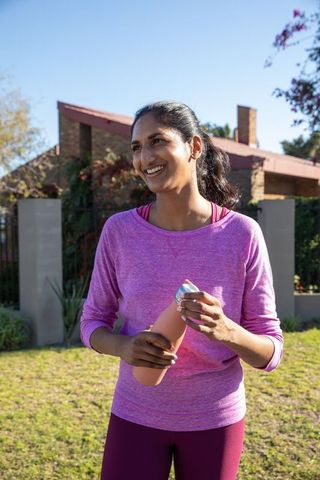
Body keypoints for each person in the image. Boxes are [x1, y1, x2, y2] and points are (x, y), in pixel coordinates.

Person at [80, 101, 284, 480]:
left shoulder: (242, 235)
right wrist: (125, 346)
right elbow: (92, 321)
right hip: (135, 414)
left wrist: (226, 330)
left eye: (157, 141)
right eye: (137, 147)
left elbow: (271, 352)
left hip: (215, 421)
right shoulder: (120, 232)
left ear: (193, 147)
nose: (144, 158)